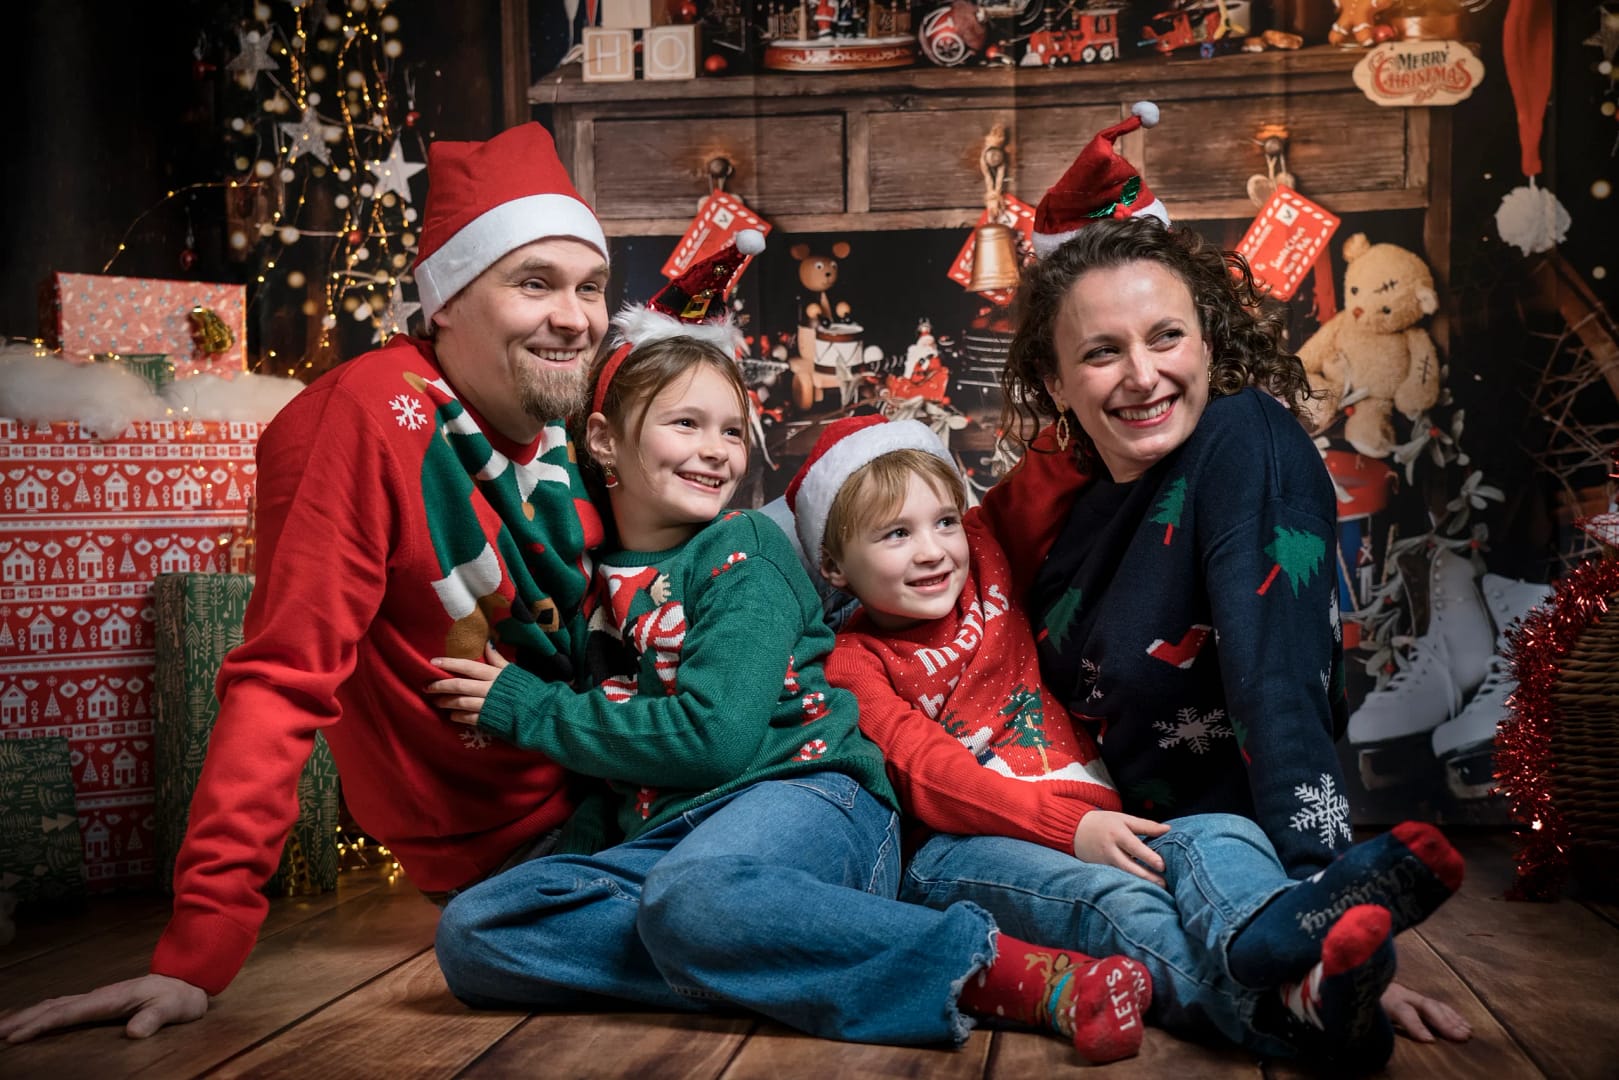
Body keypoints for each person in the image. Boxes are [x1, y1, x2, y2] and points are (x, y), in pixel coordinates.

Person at [0, 122, 616, 1043]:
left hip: (637, 774)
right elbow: (282, 680)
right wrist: (195, 954)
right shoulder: (359, 422)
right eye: (534, 283)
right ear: (445, 301)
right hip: (535, 846)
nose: (575, 315)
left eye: (591, 286)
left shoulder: (576, 424)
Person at [423, 306, 1153, 1062]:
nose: (716, 453)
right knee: (477, 932)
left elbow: (714, 739)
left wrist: (529, 709)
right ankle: (780, 950)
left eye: (732, 431)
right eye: (686, 425)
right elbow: (608, 770)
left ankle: (1012, 974)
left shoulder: (742, 553)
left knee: (692, 899)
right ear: (604, 438)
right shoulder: (591, 583)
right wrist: (577, 860)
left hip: (806, 799)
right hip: (674, 840)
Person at [966, 116, 1472, 1050]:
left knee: (1203, 848)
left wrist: (1317, 889)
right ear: (1054, 376)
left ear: (1208, 337)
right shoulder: (1056, 508)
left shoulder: (1245, 441)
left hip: (1224, 845)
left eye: (1166, 337)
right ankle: (1298, 992)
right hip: (1087, 837)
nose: (1143, 375)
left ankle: (1291, 951)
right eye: (1101, 351)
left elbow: (1277, 683)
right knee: (944, 871)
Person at [786, 414, 1464, 1070]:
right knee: (1115, 906)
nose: (932, 550)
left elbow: (1054, 459)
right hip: (961, 850)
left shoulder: (986, 558)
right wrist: (1070, 828)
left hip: (1097, 821)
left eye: (942, 522)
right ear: (836, 566)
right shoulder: (852, 661)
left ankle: (1283, 946)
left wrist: (1131, 372)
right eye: (895, 534)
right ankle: (1277, 1011)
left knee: (1221, 832)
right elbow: (927, 772)